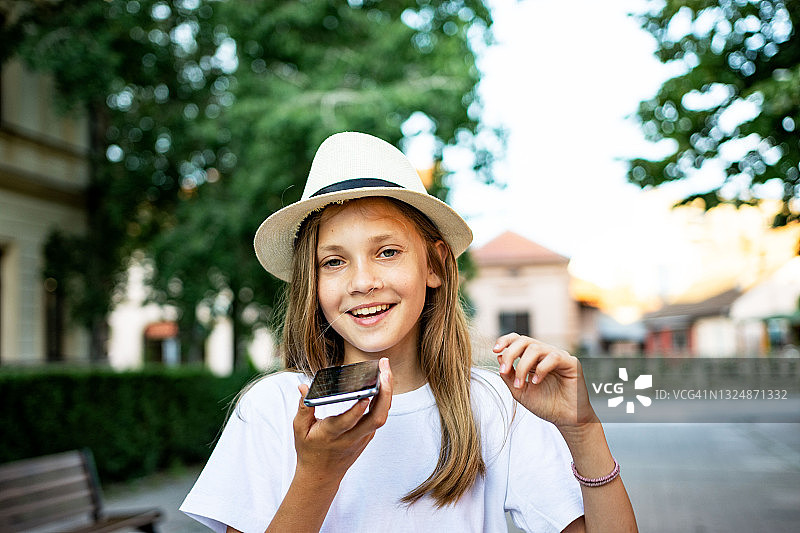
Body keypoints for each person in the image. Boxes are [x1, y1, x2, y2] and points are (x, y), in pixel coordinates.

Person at [180, 132, 637, 533]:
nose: (362, 282)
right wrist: (317, 474)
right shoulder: (271, 409)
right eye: (334, 261)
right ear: (313, 284)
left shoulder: (498, 407)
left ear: (434, 264)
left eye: (387, 252)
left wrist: (583, 431)